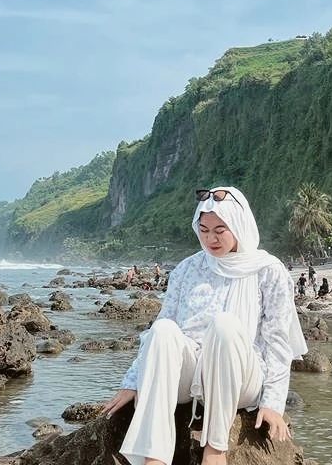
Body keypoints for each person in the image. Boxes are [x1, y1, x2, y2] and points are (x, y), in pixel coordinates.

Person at [101, 186, 307, 465]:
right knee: (163, 331)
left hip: (241, 374)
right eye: (204, 229)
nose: (210, 238)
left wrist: (272, 403)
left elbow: (278, 341)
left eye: (220, 230)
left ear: (239, 225)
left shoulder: (267, 270)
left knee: (224, 326)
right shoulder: (187, 269)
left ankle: (215, 449)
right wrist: (134, 381)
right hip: (189, 372)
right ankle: (155, 456)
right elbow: (163, 323)